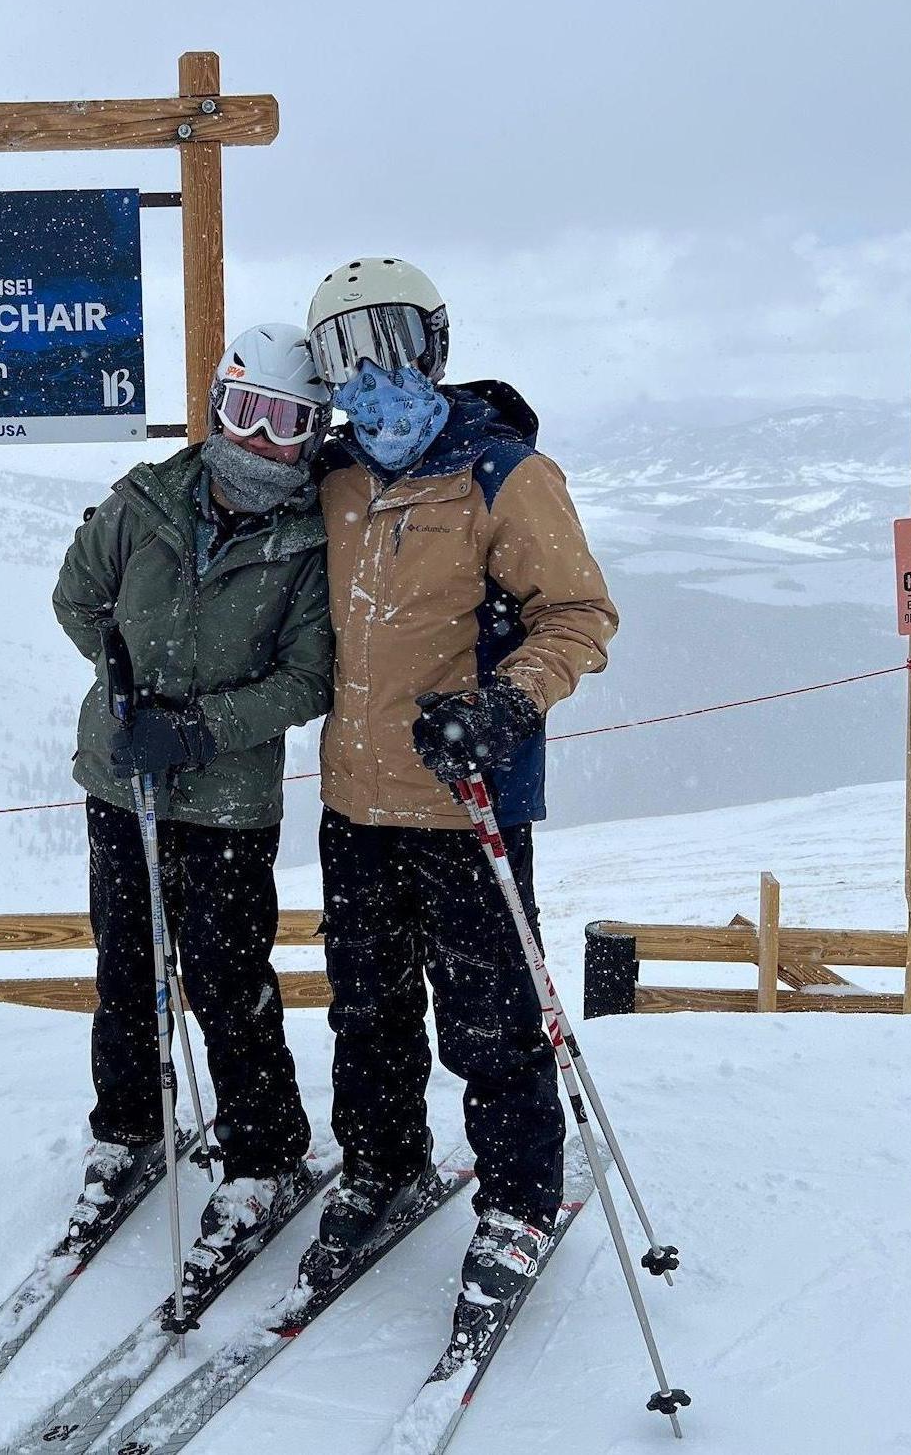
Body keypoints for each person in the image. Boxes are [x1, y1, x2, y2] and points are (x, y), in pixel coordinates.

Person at [302, 258, 618, 1338]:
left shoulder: (504, 475)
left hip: (465, 798)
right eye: (345, 356)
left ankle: (519, 1199)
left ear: (435, 347)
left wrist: (506, 704)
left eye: (391, 345)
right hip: (356, 802)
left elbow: (577, 614)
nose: (372, 380)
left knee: (490, 1020)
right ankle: (384, 1163)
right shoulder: (336, 477)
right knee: (368, 1009)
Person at [52, 323, 333, 1266]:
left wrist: (201, 727)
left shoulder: (309, 539)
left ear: (312, 433)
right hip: (122, 779)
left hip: (225, 802)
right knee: (127, 967)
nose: (260, 439)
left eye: (286, 423)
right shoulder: (146, 501)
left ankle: (263, 1153)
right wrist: (126, 696)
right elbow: (78, 599)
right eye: (246, 411)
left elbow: (309, 677)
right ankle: (128, 1127)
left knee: (226, 978)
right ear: (217, 404)